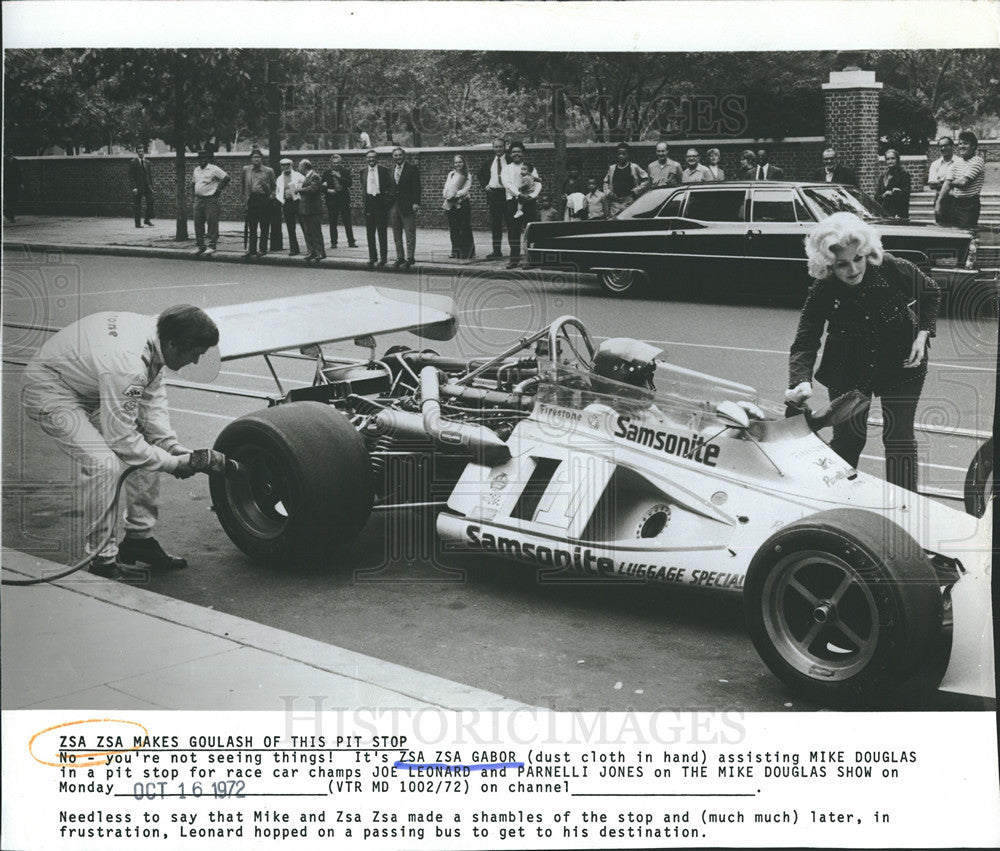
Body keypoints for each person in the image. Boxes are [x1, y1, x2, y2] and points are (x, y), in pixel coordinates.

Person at [20, 305, 221, 578]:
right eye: (195, 354)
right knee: (104, 464)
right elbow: (123, 441)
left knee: (150, 445)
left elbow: (151, 399)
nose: (196, 362)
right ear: (175, 344)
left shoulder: (158, 334)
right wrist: (174, 464)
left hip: (90, 382)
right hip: (51, 387)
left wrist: (170, 446)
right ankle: (101, 559)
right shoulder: (129, 362)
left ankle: (139, 539)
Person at [786, 212, 940, 492]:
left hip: (901, 361)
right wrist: (800, 381)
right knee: (848, 439)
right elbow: (805, 340)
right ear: (828, 265)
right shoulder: (824, 287)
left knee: (898, 437)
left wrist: (922, 335)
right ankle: (837, 497)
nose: (854, 270)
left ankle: (905, 504)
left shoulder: (891, 266)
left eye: (858, 259)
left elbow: (930, 293)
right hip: (849, 366)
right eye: (842, 264)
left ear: (867, 251)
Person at [937, 130, 985, 239]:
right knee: (953, 235)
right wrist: (939, 202)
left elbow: (963, 183)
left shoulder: (977, 161)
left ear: (973, 146)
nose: (962, 146)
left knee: (967, 235)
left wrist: (948, 182)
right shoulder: (957, 163)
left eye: (965, 143)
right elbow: (947, 183)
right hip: (955, 203)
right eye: (960, 143)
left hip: (969, 205)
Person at [501, 141, 540, 268]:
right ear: (510, 154)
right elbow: (508, 184)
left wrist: (532, 196)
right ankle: (514, 259)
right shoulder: (506, 169)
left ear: (523, 153)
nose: (516, 154)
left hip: (528, 201)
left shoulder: (530, 167)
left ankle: (530, 259)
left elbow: (537, 183)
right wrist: (518, 194)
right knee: (514, 231)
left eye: (519, 151)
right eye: (513, 152)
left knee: (530, 231)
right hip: (513, 202)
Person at [191, 149, 230, 256]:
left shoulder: (213, 169)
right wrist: (193, 196)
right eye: (200, 159)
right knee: (198, 223)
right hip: (198, 199)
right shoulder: (196, 170)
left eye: (204, 158)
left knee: (212, 223)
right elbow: (193, 183)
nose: (202, 161)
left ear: (207, 159)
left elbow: (226, 178)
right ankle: (200, 246)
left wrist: (219, 190)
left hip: (210, 199)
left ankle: (212, 245)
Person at [361, 149, 394, 269]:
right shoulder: (363, 172)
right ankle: (372, 257)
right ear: (366, 159)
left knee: (382, 232)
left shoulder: (384, 170)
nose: (371, 159)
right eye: (369, 157)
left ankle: (383, 258)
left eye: (373, 157)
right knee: (370, 232)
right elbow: (364, 188)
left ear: (377, 158)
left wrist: (387, 202)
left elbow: (389, 187)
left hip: (380, 203)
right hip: (369, 203)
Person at [389, 147, 421, 270]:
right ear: (393, 157)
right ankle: (400, 257)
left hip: (408, 205)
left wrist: (416, 202)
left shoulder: (412, 169)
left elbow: (417, 187)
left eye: (400, 155)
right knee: (396, 233)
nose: (398, 157)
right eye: (395, 155)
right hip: (394, 205)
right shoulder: (391, 170)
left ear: (404, 156)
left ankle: (410, 257)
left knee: (410, 232)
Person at [241, 148, 276, 258]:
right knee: (252, 226)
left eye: (258, 157)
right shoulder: (246, 170)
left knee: (264, 226)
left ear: (262, 159)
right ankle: (251, 249)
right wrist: (245, 202)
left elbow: (275, 187)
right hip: (252, 199)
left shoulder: (269, 171)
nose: (256, 159)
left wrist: (271, 197)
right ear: (251, 159)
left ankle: (262, 249)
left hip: (264, 199)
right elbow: (243, 186)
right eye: (254, 157)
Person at [477, 137, 508, 260]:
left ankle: (514, 251)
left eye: (501, 146)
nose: (498, 149)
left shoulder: (510, 161)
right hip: (494, 195)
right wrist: (485, 186)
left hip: (507, 194)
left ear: (505, 147)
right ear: (493, 148)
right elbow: (480, 175)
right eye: (496, 147)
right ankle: (496, 251)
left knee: (511, 223)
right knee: (496, 224)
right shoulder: (489, 162)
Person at [442, 153, 475, 260]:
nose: (458, 164)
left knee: (465, 227)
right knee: (454, 228)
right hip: (451, 203)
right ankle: (455, 251)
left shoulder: (467, 175)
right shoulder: (451, 174)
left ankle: (468, 252)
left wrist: (455, 195)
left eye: (460, 162)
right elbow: (446, 187)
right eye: (456, 162)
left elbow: (465, 189)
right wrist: (447, 194)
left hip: (463, 203)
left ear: (464, 163)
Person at [603, 143, 650, 216]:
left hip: (629, 201)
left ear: (628, 155)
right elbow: (605, 182)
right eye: (619, 154)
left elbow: (646, 179)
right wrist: (608, 193)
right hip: (615, 203)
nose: (621, 156)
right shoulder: (612, 168)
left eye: (624, 154)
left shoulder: (634, 167)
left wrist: (636, 190)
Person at [321, 153, 357, 249]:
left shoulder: (345, 171)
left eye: (338, 163)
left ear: (340, 163)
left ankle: (351, 241)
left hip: (343, 199)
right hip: (332, 200)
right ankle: (333, 242)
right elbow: (321, 187)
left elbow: (349, 183)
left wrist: (339, 176)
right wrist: (328, 190)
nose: (336, 164)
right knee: (333, 222)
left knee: (347, 221)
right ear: (331, 163)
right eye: (334, 163)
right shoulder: (326, 173)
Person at [926, 136, 963, 225]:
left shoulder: (960, 162)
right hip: (941, 201)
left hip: (957, 200)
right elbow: (932, 185)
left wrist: (943, 181)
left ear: (952, 146)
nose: (943, 148)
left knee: (958, 227)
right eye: (941, 146)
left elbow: (962, 182)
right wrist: (949, 182)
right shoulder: (935, 164)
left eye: (946, 145)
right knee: (941, 227)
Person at [297, 158, 326, 262]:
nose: (298, 168)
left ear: (304, 166)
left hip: (313, 210)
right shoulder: (307, 177)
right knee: (308, 232)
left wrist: (299, 190)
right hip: (306, 209)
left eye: (300, 166)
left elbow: (313, 189)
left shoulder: (314, 176)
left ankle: (320, 252)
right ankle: (312, 252)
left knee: (315, 231)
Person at [274, 158, 304, 256]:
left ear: (291, 166)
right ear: (281, 167)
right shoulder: (279, 178)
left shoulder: (298, 176)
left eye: (288, 165)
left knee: (304, 225)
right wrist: (282, 197)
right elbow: (278, 191)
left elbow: (305, 185)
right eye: (284, 165)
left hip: (298, 202)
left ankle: (311, 247)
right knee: (290, 227)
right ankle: (294, 248)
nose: (286, 167)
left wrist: (296, 191)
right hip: (287, 204)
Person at [876, 149, 911, 218]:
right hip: (885, 213)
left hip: (899, 213)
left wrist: (895, 192)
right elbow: (877, 196)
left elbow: (906, 194)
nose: (890, 161)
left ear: (897, 159)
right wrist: (883, 195)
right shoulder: (883, 177)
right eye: (888, 159)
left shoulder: (904, 175)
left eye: (893, 159)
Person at [128, 147, 155, 228]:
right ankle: (137, 223)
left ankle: (147, 219)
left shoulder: (147, 163)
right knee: (137, 205)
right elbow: (131, 176)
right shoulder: (133, 162)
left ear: (144, 152)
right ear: (137, 153)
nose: (141, 153)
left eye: (142, 151)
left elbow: (149, 176)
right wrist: (134, 187)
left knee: (150, 201)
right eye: (139, 151)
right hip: (138, 187)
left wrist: (151, 187)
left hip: (147, 186)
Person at [4, 153, 23, 223]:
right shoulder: (3, 161)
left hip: (14, 184)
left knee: (13, 199)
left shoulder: (15, 161)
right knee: (7, 200)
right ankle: (9, 214)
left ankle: (10, 215)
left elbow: (19, 172)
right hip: (6, 183)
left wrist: (21, 183)